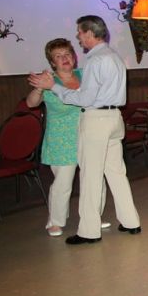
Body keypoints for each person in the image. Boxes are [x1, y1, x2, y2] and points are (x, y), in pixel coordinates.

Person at [29, 15, 140, 245]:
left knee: (90, 176)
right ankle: (131, 221)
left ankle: (89, 231)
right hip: (114, 118)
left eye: (80, 32)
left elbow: (85, 99)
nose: (78, 37)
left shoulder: (94, 60)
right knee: (117, 173)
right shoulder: (114, 56)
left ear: (89, 33)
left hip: (97, 120)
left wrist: (54, 87)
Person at [26, 38, 109, 237]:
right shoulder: (48, 81)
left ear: (74, 56)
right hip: (61, 139)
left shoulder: (85, 75)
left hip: (89, 135)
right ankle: (55, 222)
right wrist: (39, 88)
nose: (64, 58)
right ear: (52, 62)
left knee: (95, 179)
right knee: (63, 183)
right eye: (58, 56)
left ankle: (93, 217)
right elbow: (31, 103)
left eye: (67, 54)